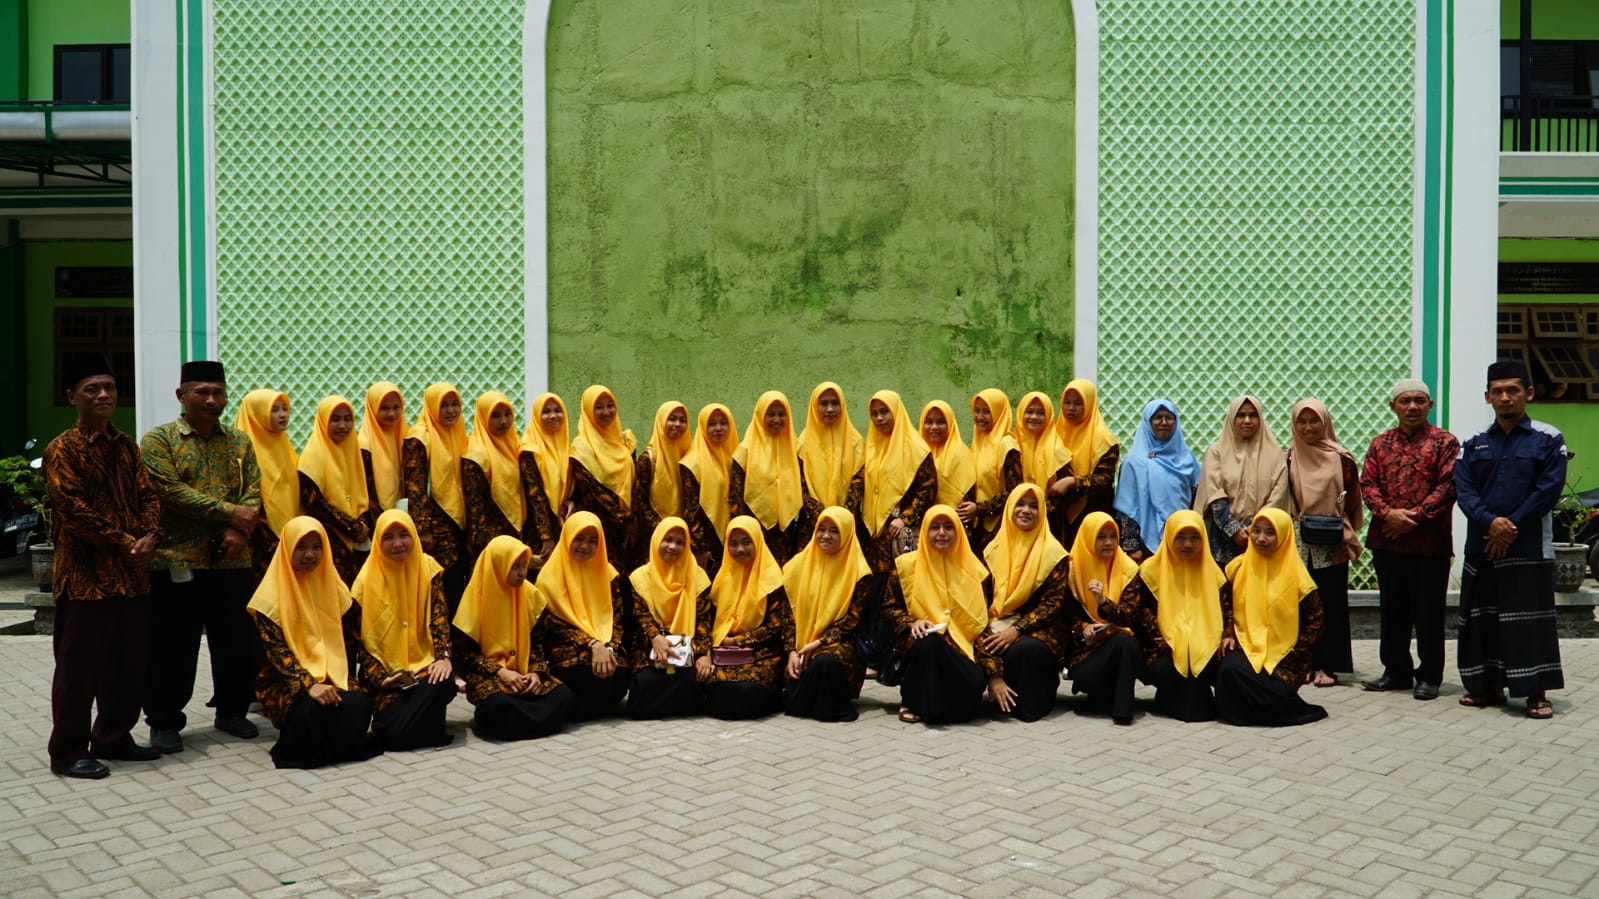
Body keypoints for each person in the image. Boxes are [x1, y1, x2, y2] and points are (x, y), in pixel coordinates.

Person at [43, 353, 164, 779]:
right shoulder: (63, 449)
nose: (102, 394)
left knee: (128, 666)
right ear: (72, 396)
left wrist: (149, 537)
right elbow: (72, 510)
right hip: (85, 579)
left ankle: (113, 737)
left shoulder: (127, 446)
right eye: (92, 388)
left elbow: (149, 496)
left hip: (131, 579)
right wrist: (127, 541)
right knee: (79, 670)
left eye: (109, 387)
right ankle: (68, 751)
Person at [141, 359, 264, 753]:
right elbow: (169, 491)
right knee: (173, 645)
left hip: (232, 558)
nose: (212, 400)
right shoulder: (159, 441)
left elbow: (253, 490)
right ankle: (164, 721)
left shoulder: (240, 441)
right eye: (202, 393)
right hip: (179, 559)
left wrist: (237, 529)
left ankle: (232, 711)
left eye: (218, 393)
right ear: (182, 395)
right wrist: (230, 513)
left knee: (236, 641)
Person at [1455, 360, 1566, 719]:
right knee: (1482, 618)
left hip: (1529, 546)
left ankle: (1535, 692)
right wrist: (1491, 523)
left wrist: (1511, 526)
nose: (1505, 397)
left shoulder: (1549, 439)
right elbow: (1465, 490)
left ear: (1528, 393)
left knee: (1529, 621)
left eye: (1513, 390)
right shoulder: (1474, 442)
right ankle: (1488, 686)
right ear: (1487, 397)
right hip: (1483, 545)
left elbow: (1547, 491)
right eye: (1498, 391)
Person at [247, 517, 382, 768]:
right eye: (301, 547)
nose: (309, 554)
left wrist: (376, 674)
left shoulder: (333, 586)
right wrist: (309, 684)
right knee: (309, 710)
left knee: (358, 704)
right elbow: (278, 654)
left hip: (332, 673)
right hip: (285, 681)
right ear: (287, 548)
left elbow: (354, 640)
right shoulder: (269, 597)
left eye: (316, 547)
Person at [1359, 379, 1459, 701]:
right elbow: (1368, 484)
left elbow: (1448, 487)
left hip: (1429, 545)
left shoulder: (1446, 443)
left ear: (1429, 405)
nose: (1412, 406)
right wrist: (1389, 514)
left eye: (1419, 400)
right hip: (1388, 542)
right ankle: (1396, 670)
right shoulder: (1380, 444)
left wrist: (1411, 518)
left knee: (1429, 612)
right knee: (1393, 610)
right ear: (1393, 406)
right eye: (1405, 401)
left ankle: (1429, 675)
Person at [452, 534, 578, 740]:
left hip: (525, 671)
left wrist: (536, 673)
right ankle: (530, 722)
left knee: (564, 697)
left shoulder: (530, 595)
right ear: (498, 566)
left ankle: (518, 724)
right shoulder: (475, 598)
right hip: (490, 676)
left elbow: (537, 644)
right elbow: (466, 655)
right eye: (515, 567)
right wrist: (501, 672)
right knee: (496, 706)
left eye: (524, 566)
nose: (521, 573)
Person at [351, 510, 456, 750]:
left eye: (404, 535)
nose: (397, 544)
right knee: (395, 732)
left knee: (444, 680)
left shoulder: (429, 569)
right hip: (389, 678)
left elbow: (439, 620)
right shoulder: (363, 583)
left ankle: (415, 724)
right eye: (388, 537)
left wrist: (443, 658)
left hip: (426, 669)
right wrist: (383, 678)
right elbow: (360, 643)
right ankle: (423, 726)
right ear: (378, 541)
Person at [1214, 509, 1327, 727]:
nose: (1261, 538)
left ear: (1283, 536)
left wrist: (1296, 651)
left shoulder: (1298, 576)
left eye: (1270, 533)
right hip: (1246, 644)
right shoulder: (1237, 568)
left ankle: (1268, 709)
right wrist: (1228, 633)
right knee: (1229, 670)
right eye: (1256, 531)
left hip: (1286, 655)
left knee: (1276, 687)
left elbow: (1316, 620)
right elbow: (1225, 606)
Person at [882, 506, 990, 725]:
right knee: (927, 644)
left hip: (962, 645)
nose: (942, 533)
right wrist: (912, 622)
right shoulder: (906, 566)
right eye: (935, 527)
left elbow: (983, 622)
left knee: (976, 683)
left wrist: (994, 673)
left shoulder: (975, 570)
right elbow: (888, 607)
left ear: (959, 531)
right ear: (924, 531)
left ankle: (940, 705)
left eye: (949, 527)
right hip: (920, 640)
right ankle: (912, 701)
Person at [1286, 398, 1362, 688]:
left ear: (1325, 422)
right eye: (1301, 422)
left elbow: (1354, 501)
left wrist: (1343, 527)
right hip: (1297, 542)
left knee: (1331, 604)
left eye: (1314, 420)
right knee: (1300, 605)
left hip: (1331, 541)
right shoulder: (1289, 457)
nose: (1308, 427)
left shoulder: (1341, 458)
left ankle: (1328, 665)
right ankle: (1304, 663)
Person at [978, 484, 1070, 722]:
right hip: (995, 620)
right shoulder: (991, 549)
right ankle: (995, 687)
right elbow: (978, 598)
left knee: (1027, 650)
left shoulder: (1054, 553)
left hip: (1037, 627)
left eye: (1033, 506)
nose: (1025, 511)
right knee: (978, 641)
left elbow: (1052, 605)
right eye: (1020, 503)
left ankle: (1031, 699)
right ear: (1009, 508)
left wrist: (1016, 630)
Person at [533, 512, 632, 720]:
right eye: (579, 538)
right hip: (567, 646)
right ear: (567, 537)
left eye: (593, 541)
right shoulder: (548, 578)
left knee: (619, 670)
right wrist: (593, 644)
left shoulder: (608, 573)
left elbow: (617, 618)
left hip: (604, 643)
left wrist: (609, 648)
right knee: (579, 669)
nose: (585, 546)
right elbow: (554, 625)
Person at [781, 507, 872, 721]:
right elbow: (788, 615)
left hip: (839, 642)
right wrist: (791, 652)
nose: (826, 536)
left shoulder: (860, 573)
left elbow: (852, 622)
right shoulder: (796, 567)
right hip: (800, 645)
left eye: (834, 530)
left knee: (826, 663)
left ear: (847, 533)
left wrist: (818, 643)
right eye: (821, 529)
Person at [1136, 510, 1226, 722]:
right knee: (1170, 664)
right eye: (1181, 537)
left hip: (1205, 645)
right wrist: (1161, 634)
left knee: (1202, 656)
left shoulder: (1214, 575)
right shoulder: (1149, 572)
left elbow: (1227, 612)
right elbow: (1141, 610)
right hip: (1161, 647)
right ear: (1169, 537)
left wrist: (1221, 636)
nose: (1188, 545)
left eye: (1195, 538)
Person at [702, 516, 790, 719]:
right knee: (711, 684)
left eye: (746, 542)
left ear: (758, 542)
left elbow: (776, 626)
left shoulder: (772, 579)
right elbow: (705, 621)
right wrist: (706, 653)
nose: (740, 549)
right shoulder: (720, 577)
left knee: (747, 692)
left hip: (761, 653)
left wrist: (737, 641)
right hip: (721, 651)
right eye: (733, 544)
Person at [626, 517, 713, 719]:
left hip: (687, 649)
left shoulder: (697, 577)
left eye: (680, 542)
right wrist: (656, 637)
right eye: (668, 540)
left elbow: (703, 620)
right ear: (656, 540)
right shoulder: (640, 578)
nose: (673, 547)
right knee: (647, 684)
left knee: (697, 678)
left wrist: (703, 654)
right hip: (650, 646)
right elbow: (642, 615)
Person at [1064, 511, 1143, 725]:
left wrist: (1103, 603)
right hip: (1085, 651)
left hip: (1119, 646)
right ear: (1088, 537)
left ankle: (1124, 710)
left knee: (1124, 642)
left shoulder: (1128, 569)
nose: (1108, 542)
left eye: (1113, 536)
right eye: (1100, 537)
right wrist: (1083, 627)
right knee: (1097, 696)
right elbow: (1064, 614)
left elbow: (1131, 617)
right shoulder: (1072, 569)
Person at [1193, 395, 1288, 568]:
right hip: (1222, 538)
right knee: (1225, 590)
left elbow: (1278, 495)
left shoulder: (1275, 455)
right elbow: (1214, 493)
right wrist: (1234, 530)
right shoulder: (1217, 452)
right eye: (1241, 415)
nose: (1247, 420)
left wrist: (1255, 530)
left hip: (1263, 538)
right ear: (1231, 418)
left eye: (1253, 415)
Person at [848, 389, 936, 573]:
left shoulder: (917, 449)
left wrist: (906, 518)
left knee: (899, 579)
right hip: (873, 533)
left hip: (899, 531)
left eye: (885, 411)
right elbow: (862, 481)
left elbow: (928, 488)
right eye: (874, 413)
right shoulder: (871, 447)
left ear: (897, 411)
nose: (879, 418)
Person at [462, 391, 552, 568]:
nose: (503, 421)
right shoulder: (475, 455)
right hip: (491, 542)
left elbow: (531, 493)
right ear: (483, 417)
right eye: (495, 416)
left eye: (507, 414)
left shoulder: (515, 447)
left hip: (520, 535)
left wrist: (543, 535)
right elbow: (475, 511)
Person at [730, 391, 817, 564]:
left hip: (787, 532)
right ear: (760, 415)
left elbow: (804, 487)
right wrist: (741, 534)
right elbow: (735, 497)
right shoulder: (744, 451)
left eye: (781, 414)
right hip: (754, 531)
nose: (776, 419)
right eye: (770, 414)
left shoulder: (795, 449)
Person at [404, 383, 470, 611]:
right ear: (432, 406)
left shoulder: (457, 433)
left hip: (457, 525)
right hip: (435, 526)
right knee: (439, 587)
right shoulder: (419, 437)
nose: (451, 411)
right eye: (444, 405)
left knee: (457, 587)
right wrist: (423, 529)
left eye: (455, 405)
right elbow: (416, 486)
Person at [298, 395, 374, 583]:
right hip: (329, 538)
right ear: (323, 421)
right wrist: (352, 526)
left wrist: (362, 525)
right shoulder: (312, 457)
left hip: (357, 540)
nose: (343, 426)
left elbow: (362, 494)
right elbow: (314, 503)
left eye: (347, 419)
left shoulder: (352, 450)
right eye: (335, 419)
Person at [1113, 398, 1199, 560]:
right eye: (1158, 417)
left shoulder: (1186, 458)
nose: (1164, 422)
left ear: (1176, 421)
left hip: (1182, 540)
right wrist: (1132, 547)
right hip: (1145, 546)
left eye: (1169, 417)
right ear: (1148, 422)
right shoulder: (1134, 462)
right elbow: (1126, 509)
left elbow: (1198, 497)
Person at [234, 389, 301, 582]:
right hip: (258, 540)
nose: (283, 415)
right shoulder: (242, 451)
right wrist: (270, 538)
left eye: (285, 409)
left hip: (289, 538)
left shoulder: (284, 446)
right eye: (274, 410)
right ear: (257, 414)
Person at [567, 385, 636, 566]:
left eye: (610, 405)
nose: (606, 412)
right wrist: (626, 521)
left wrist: (635, 525)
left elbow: (634, 487)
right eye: (598, 407)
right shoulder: (581, 448)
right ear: (588, 411)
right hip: (596, 531)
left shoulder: (624, 443)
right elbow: (594, 493)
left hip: (627, 533)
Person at [1050, 379, 1121, 546]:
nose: (1071, 408)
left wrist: (1073, 482)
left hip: (1091, 510)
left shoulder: (1104, 440)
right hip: (1058, 514)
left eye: (1078, 403)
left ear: (1089, 404)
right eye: (1067, 402)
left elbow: (1105, 479)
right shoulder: (1053, 434)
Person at [959, 388, 1022, 553]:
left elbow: (1014, 491)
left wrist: (979, 509)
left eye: (986, 412)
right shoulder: (978, 443)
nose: (980, 417)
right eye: (977, 411)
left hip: (1000, 524)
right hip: (978, 525)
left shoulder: (1007, 445)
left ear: (999, 413)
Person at [682, 403, 736, 575]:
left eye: (723, 423)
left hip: (734, 539)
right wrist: (699, 548)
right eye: (712, 424)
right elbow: (691, 510)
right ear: (703, 427)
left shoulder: (733, 457)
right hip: (708, 541)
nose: (718, 429)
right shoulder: (691, 463)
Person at [797, 381, 862, 510]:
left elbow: (859, 481)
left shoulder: (855, 440)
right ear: (815, 406)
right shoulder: (803, 442)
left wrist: (842, 514)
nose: (830, 409)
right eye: (824, 403)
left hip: (848, 519)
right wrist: (819, 514)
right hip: (813, 522)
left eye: (835, 403)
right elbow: (800, 484)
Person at [635, 401, 691, 547]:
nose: (677, 424)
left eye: (682, 420)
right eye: (671, 419)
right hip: (655, 537)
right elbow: (639, 502)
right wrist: (664, 531)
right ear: (661, 421)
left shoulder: (690, 456)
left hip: (684, 537)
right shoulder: (648, 459)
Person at [523, 392, 572, 541]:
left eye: (557, 410)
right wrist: (546, 537)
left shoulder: (567, 448)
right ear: (537, 415)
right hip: (538, 532)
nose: (553, 416)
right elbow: (534, 495)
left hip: (564, 525)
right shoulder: (529, 450)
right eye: (546, 412)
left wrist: (571, 500)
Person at [358, 382, 406, 515]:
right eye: (384, 408)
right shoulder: (364, 444)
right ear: (373, 408)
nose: (392, 414)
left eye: (396, 407)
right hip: (376, 516)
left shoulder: (403, 436)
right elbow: (365, 491)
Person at [919, 400, 975, 511]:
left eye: (941, 422)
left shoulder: (960, 453)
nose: (934, 427)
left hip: (951, 521)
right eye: (929, 422)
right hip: (920, 520)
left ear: (950, 424)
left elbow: (966, 494)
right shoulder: (917, 452)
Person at [1013, 391, 1072, 494]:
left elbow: (1066, 494)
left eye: (1041, 413)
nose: (1034, 417)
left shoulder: (1057, 449)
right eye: (1029, 412)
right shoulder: (1013, 446)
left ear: (1049, 416)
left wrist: (1042, 508)